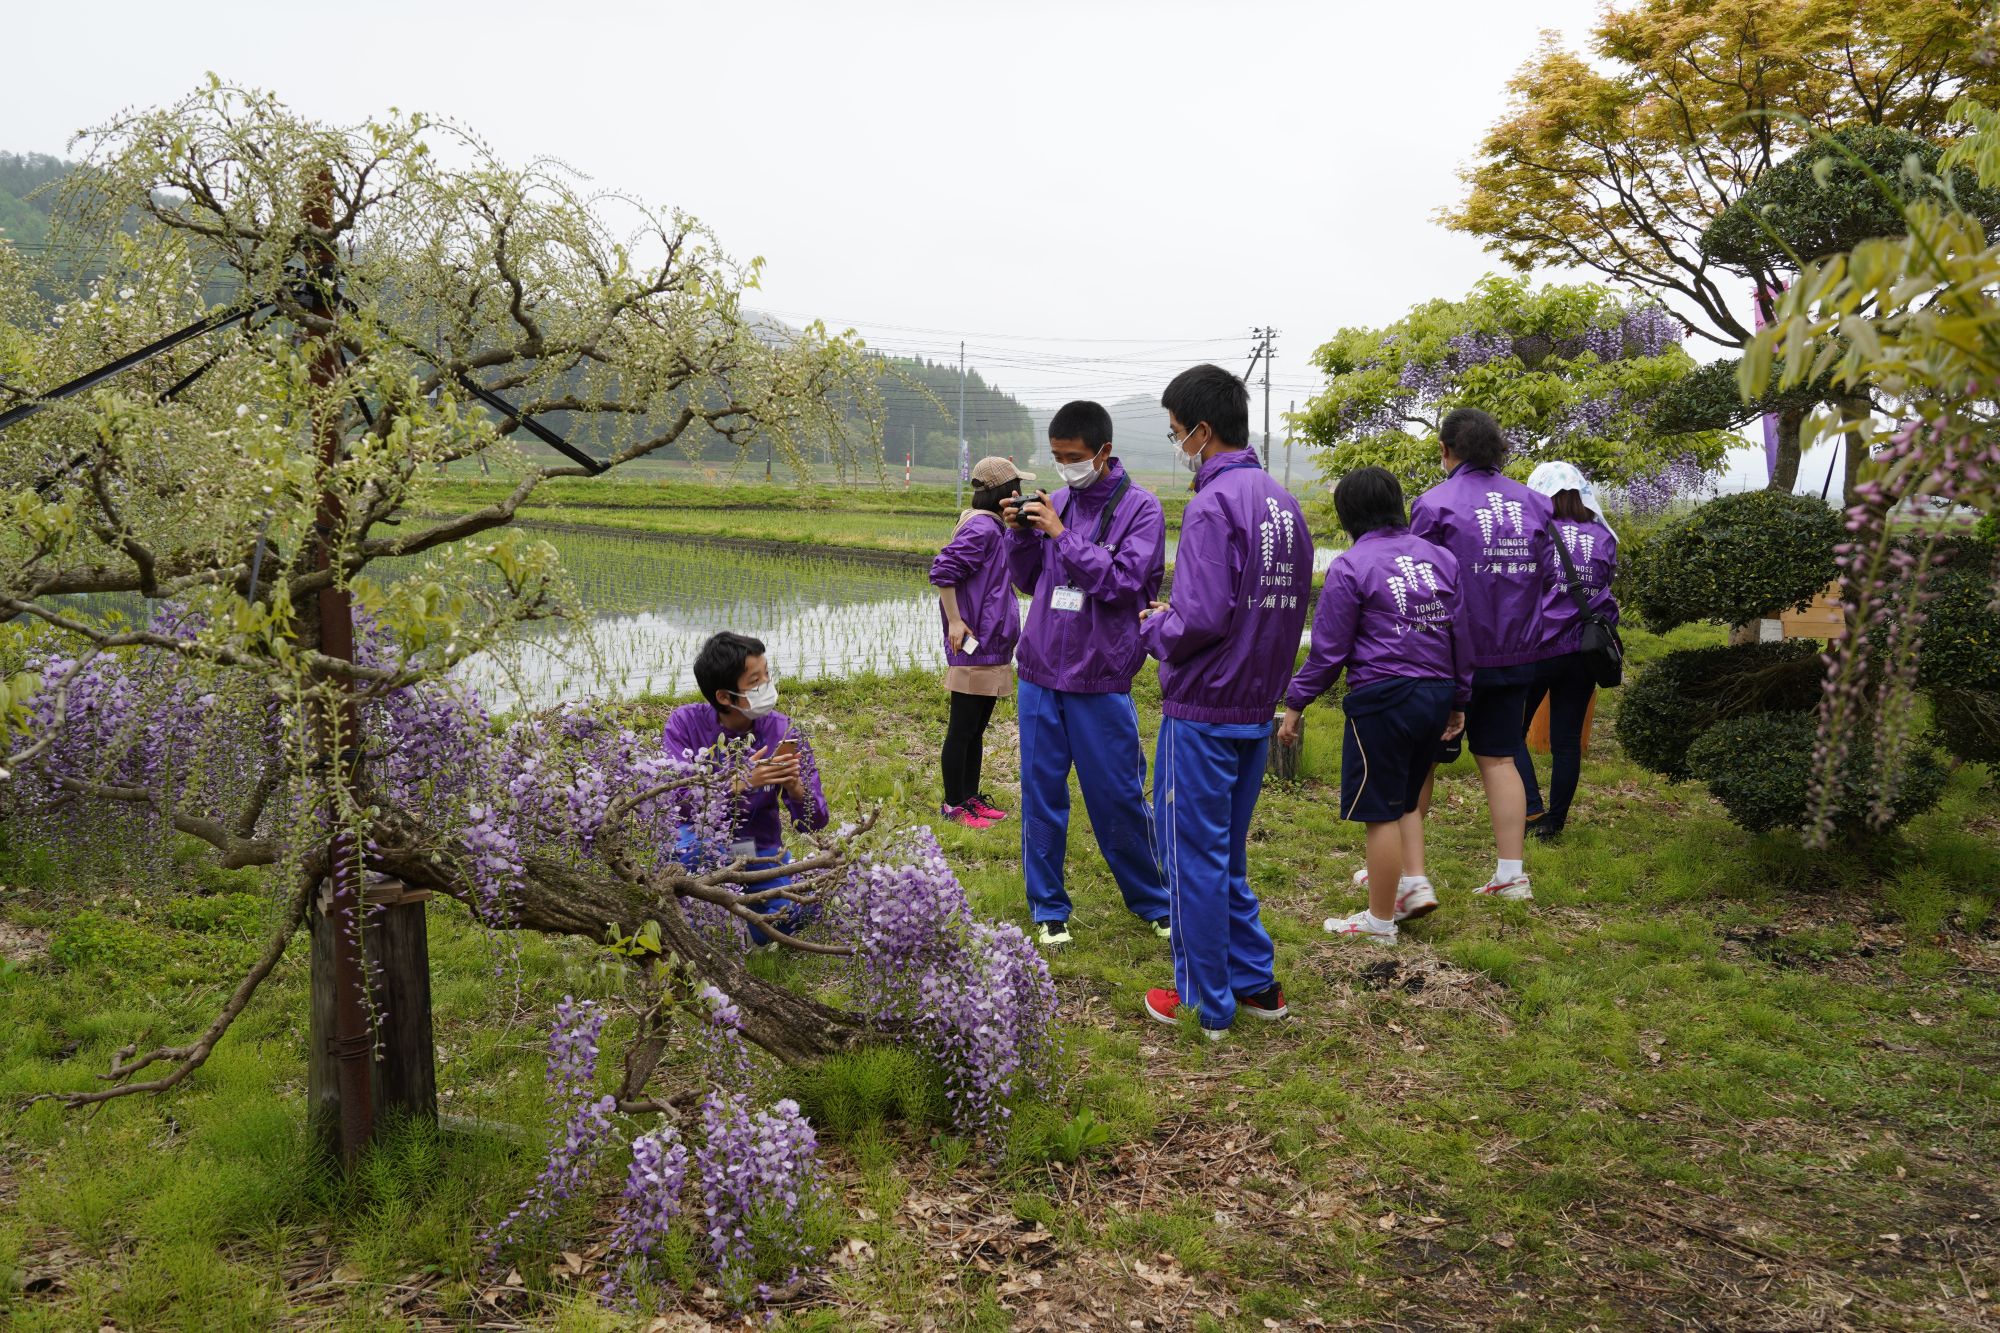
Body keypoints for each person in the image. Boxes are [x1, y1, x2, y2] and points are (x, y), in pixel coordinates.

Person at [1136, 364, 1311, 1038]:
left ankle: (1205, 1002)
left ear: (1203, 431)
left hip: (1204, 709)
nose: (1177, 444)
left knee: (1191, 860)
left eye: (1178, 433)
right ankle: (1257, 984)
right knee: (1225, 857)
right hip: (1254, 705)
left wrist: (1156, 624)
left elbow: (1201, 617)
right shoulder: (1281, 501)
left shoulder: (1213, 505)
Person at [1001, 400, 1172, 947]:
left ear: (1103, 451)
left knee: (1117, 793)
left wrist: (1060, 534)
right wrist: (1024, 534)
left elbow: (1126, 583)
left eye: (1073, 457)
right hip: (1040, 669)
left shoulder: (1142, 509)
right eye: (1056, 458)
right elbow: (1030, 581)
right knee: (1040, 790)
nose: (1065, 467)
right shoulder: (1057, 501)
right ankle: (1048, 906)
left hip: (1100, 673)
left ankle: (1152, 900)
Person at [1277, 467, 1472, 944]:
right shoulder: (1441, 558)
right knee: (1405, 798)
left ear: (1348, 515)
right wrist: (1460, 698)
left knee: (1379, 811)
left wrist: (1296, 704)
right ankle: (1409, 886)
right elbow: (1461, 634)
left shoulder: (1351, 565)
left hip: (1384, 697)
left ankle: (1379, 924)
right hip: (1435, 691)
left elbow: (1329, 651)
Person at [1405, 407, 1553, 903]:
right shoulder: (1535, 503)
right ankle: (1512, 875)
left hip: (1447, 657)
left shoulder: (1433, 504)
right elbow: (1549, 577)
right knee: (1499, 757)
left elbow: (1421, 585)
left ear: (1446, 450)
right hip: (1515, 654)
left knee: (1420, 760)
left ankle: (1409, 874)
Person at [661, 632, 829, 945]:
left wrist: (796, 789)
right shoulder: (684, 723)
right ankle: (714, 924)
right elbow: (675, 800)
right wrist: (739, 783)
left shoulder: (783, 729)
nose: (767, 684)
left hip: (758, 854)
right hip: (700, 845)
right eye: (756, 680)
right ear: (724, 696)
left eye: (767, 673)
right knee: (688, 854)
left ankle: (728, 930)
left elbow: (815, 822)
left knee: (800, 913)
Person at [1512, 461, 1619, 841]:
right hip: (1586, 651)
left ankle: (1531, 810)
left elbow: (1521, 588)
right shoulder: (1604, 536)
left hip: (1538, 648)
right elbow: (1604, 585)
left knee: (1510, 732)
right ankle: (1554, 823)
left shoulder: (1535, 531)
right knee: (1567, 742)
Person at [930, 456, 1032, 829]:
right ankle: (953, 805)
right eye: (1017, 486)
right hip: (975, 643)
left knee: (975, 731)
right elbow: (943, 570)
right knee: (962, 730)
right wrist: (955, 621)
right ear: (1005, 491)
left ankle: (970, 798)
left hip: (991, 646)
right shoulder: (983, 530)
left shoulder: (994, 527)